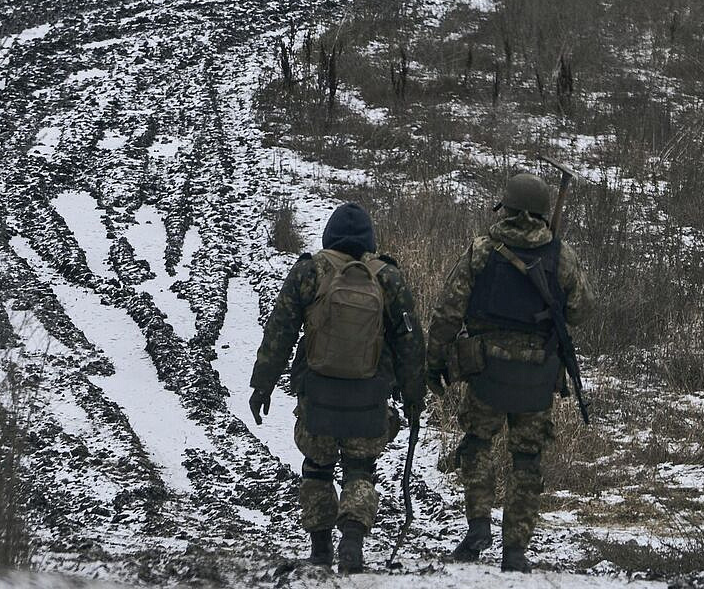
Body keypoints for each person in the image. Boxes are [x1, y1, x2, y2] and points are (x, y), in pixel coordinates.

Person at [426, 173, 591, 573]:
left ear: (508, 207)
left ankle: (479, 525)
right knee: (527, 457)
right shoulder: (560, 254)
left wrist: (433, 361)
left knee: (478, 444)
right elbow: (582, 310)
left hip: (486, 369)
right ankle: (515, 548)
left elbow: (449, 310)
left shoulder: (482, 250)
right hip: (536, 374)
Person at [250, 203, 425, 574]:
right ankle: (352, 540)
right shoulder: (387, 278)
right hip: (369, 395)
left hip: (318, 394)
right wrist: (413, 396)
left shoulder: (309, 272)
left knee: (317, 468)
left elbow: (279, 332)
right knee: (360, 469)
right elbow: (410, 343)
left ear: (329, 235)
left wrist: (262, 385)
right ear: (369, 240)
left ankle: (319, 550)